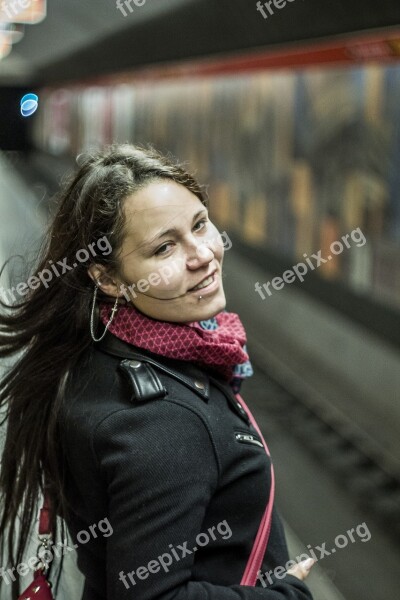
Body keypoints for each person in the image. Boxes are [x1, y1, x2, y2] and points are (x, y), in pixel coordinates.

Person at [0, 144, 314, 599]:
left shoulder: (102, 354)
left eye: (200, 224)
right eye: (164, 247)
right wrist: (285, 595)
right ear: (107, 279)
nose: (203, 254)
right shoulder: (163, 423)